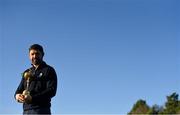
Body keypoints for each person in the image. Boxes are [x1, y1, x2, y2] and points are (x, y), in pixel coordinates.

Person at [15, 44, 57, 114]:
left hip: (42, 110)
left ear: (42, 54)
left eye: (37, 53)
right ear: (29, 56)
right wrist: (17, 96)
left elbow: (51, 91)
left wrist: (32, 98)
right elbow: (18, 90)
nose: (34, 56)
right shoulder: (26, 72)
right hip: (26, 111)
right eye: (32, 54)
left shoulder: (49, 70)